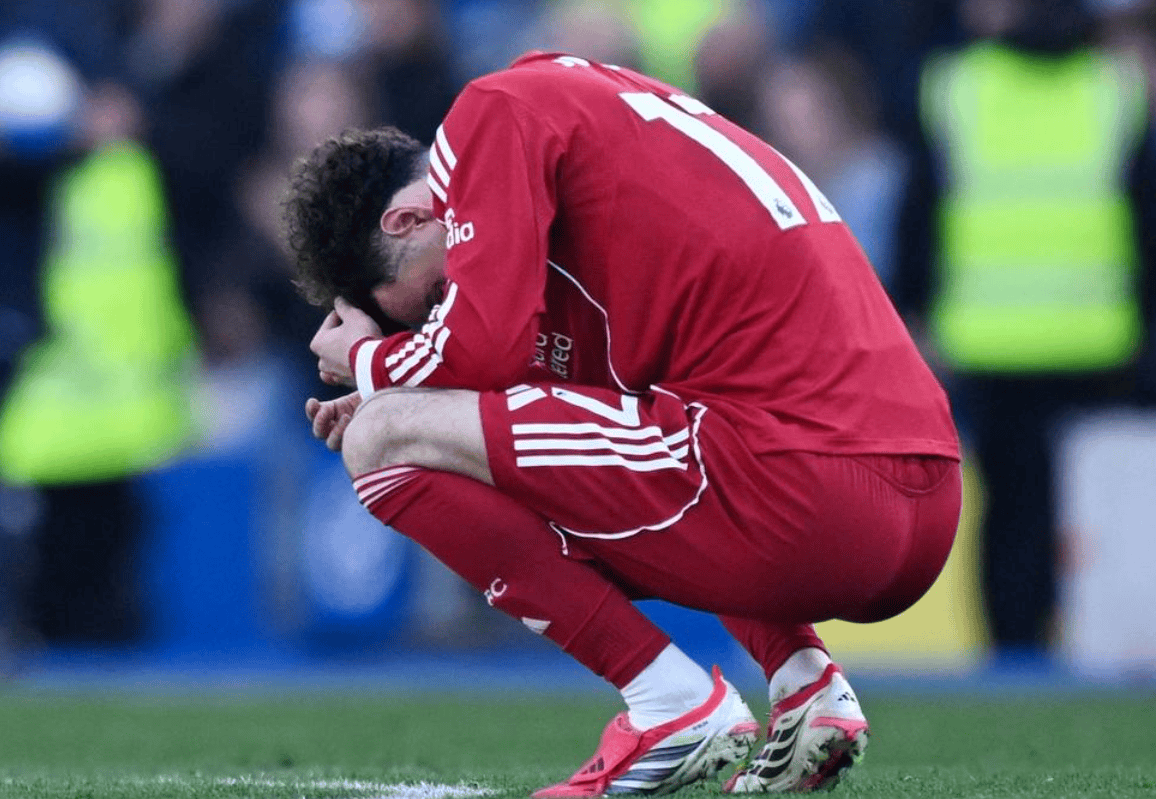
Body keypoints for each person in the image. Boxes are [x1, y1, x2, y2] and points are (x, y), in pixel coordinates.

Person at [284, 51, 961, 795]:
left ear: (410, 219)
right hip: (919, 496)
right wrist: (415, 387)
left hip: (807, 488)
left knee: (380, 438)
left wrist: (373, 363)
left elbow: (480, 349)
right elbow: (559, 398)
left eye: (434, 298)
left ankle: (671, 704)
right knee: (519, 429)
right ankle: (805, 685)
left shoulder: (492, 113)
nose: (442, 313)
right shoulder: (588, 125)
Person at [893, 0, 1156, 659]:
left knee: (1008, 520)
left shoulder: (954, 85)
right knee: (1096, 522)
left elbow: (918, 215)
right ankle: (1091, 658)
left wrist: (915, 312)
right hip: (1100, 341)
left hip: (989, 341)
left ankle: (1012, 663)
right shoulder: (1118, 88)